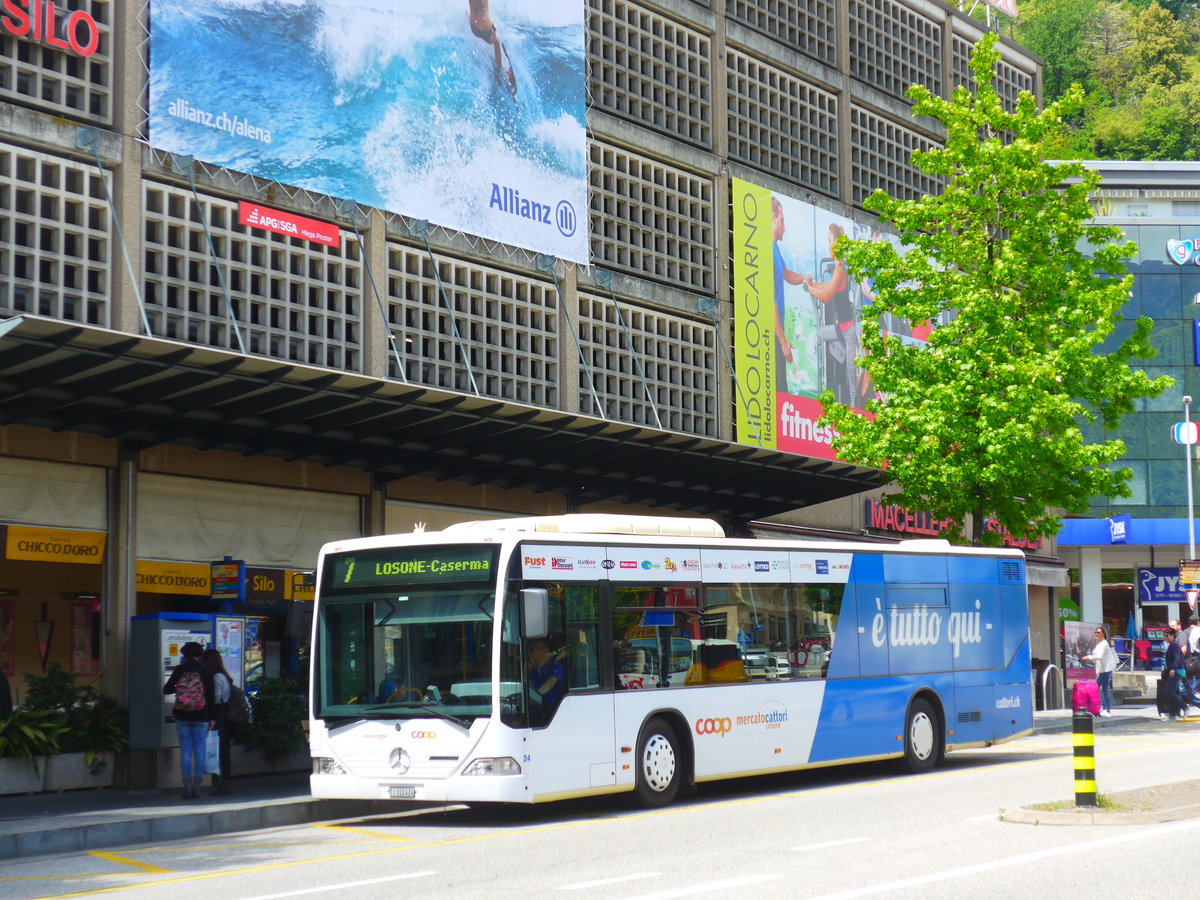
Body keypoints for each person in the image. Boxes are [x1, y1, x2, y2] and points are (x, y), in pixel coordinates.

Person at [799, 222, 856, 406]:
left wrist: (810, 289)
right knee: (821, 334)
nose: (829, 246)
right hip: (842, 329)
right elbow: (826, 287)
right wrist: (812, 284)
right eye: (828, 241)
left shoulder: (840, 270)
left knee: (852, 376)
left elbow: (826, 296)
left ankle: (855, 408)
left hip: (849, 332)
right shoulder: (838, 269)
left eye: (831, 242)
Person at [163, 641, 214, 798]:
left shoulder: (180, 669)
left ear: (184, 654)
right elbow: (211, 696)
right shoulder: (204, 671)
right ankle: (198, 787)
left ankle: (187, 787)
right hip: (201, 715)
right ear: (199, 654)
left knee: (186, 750)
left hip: (182, 715)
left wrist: (179, 688)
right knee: (199, 750)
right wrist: (212, 718)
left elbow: (166, 689)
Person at [770, 197, 807, 391]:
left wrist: (804, 278)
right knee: (779, 390)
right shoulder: (766, 248)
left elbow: (785, 274)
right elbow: (770, 301)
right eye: (782, 221)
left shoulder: (775, 248)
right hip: (772, 333)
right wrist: (782, 340)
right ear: (773, 218)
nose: (784, 227)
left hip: (778, 330)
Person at [201, 648, 235, 795]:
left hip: (218, 717)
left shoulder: (216, 678)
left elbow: (215, 698)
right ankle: (225, 780)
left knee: (217, 750)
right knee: (224, 750)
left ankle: (219, 781)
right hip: (224, 716)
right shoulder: (224, 676)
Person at [468, 0, 517, 99]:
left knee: (495, 40)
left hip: (478, 24)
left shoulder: (485, 18)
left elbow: (497, 41)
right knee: (495, 40)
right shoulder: (485, 19)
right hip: (479, 25)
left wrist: (500, 70)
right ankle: (501, 71)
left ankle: (503, 73)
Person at [1082, 626, 1117, 716]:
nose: (1096, 634)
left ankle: (1107, 709)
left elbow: (1099, 656)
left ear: (1103, 634)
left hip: (1106, 669)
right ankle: (1102, 706)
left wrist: (1088, 657)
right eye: (1096, 632)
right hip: (1101, 670)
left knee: (1104, 690)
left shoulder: (1104, 644)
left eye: (1098, 632)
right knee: (1096, 688)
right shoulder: (1099, 644)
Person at [527, 637, 564, 713]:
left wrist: (534, 697)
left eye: (531, 650)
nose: (528, 653)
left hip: (552, 712)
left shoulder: (556, 666)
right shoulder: (533, 672)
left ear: (543, 650)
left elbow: (549, 684)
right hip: (536, 709)